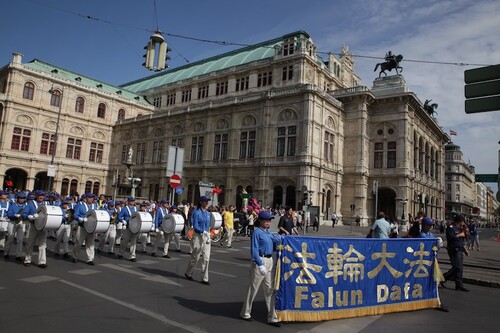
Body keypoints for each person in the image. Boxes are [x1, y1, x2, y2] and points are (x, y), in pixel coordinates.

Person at [240, 210, 282, 327]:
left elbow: (272, 248)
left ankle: (272, 317)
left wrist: (277, 243)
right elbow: (254, 250)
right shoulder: (256, 233)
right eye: (266, 220)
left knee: (270, 290)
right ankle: (245, 313)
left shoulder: (269, 233)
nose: (268, 222)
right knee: (253, 289)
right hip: (260, 261)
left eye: (269, 220)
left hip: (269, 260)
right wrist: (259, 264)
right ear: (260, 221)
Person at [185, 196, 212, 285]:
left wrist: (209, 232)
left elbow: (209, 225)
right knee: (195, 257)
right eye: (205, 201)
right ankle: (188, 273)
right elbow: (195, 225)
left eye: (207, 201)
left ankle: (204, 278)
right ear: (201, 202)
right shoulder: (196, 213)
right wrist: (202, 231)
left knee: (206, 258)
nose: (207, 203)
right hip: (198, 236)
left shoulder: (208, 213)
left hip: (206, 236)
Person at [441, 214, 470, 292]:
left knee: (460, 269)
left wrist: (465, 249)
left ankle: (459, 285)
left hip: (460, 249)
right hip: (453, 249)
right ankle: (443, 278)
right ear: (460, 221)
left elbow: (461, 240)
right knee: (457, 267)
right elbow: (451, 237)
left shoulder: (460, 228)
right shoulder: (450, 227)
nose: (463, 223)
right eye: (462, 221)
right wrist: (460, 234)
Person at [22, 190, 48, 268]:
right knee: (30, 243)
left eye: (43, 195)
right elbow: (23, 214)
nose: (41, 197)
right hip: (33, 226)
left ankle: (42, 262)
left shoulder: (46, 204)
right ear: (36, 196)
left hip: (43, 227)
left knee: (43, 244)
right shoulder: (31, 204)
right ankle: (27, 259)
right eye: (40, 195)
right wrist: (28, 216)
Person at [72, 193, 98, 265]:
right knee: (79, 243)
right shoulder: (80, 206)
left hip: (91, 228)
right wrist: (79, 218)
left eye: (92, 198)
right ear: (86, 198)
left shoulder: (95, 206)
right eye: (89, 197)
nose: (91, 199)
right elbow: (75, 215)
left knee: (91, 244)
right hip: (82, 227)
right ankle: (75, 256)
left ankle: (90, 259)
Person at [4, 192, 27, 261]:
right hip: (13, 222)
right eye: (20, 198)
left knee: (20, 239)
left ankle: (18, 255)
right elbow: (9, 214)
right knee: (10, 238)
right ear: (18, 198)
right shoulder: (13, 205)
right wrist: (14, 215)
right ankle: (6, 253)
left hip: (21, 222)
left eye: (23, 198)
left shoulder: (25, 206)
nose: (22, 199)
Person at [118, 197, 138, 262]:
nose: (132, 202)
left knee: (133, 242)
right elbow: (119, 216)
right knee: (125, 241)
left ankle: (132, 256)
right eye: (131, 201)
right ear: (128, 201)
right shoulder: (125, 209)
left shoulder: (135, 209)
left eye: (133, 201)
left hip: (134, 227)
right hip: (127, 227)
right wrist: (123, 220)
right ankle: (121, 253)